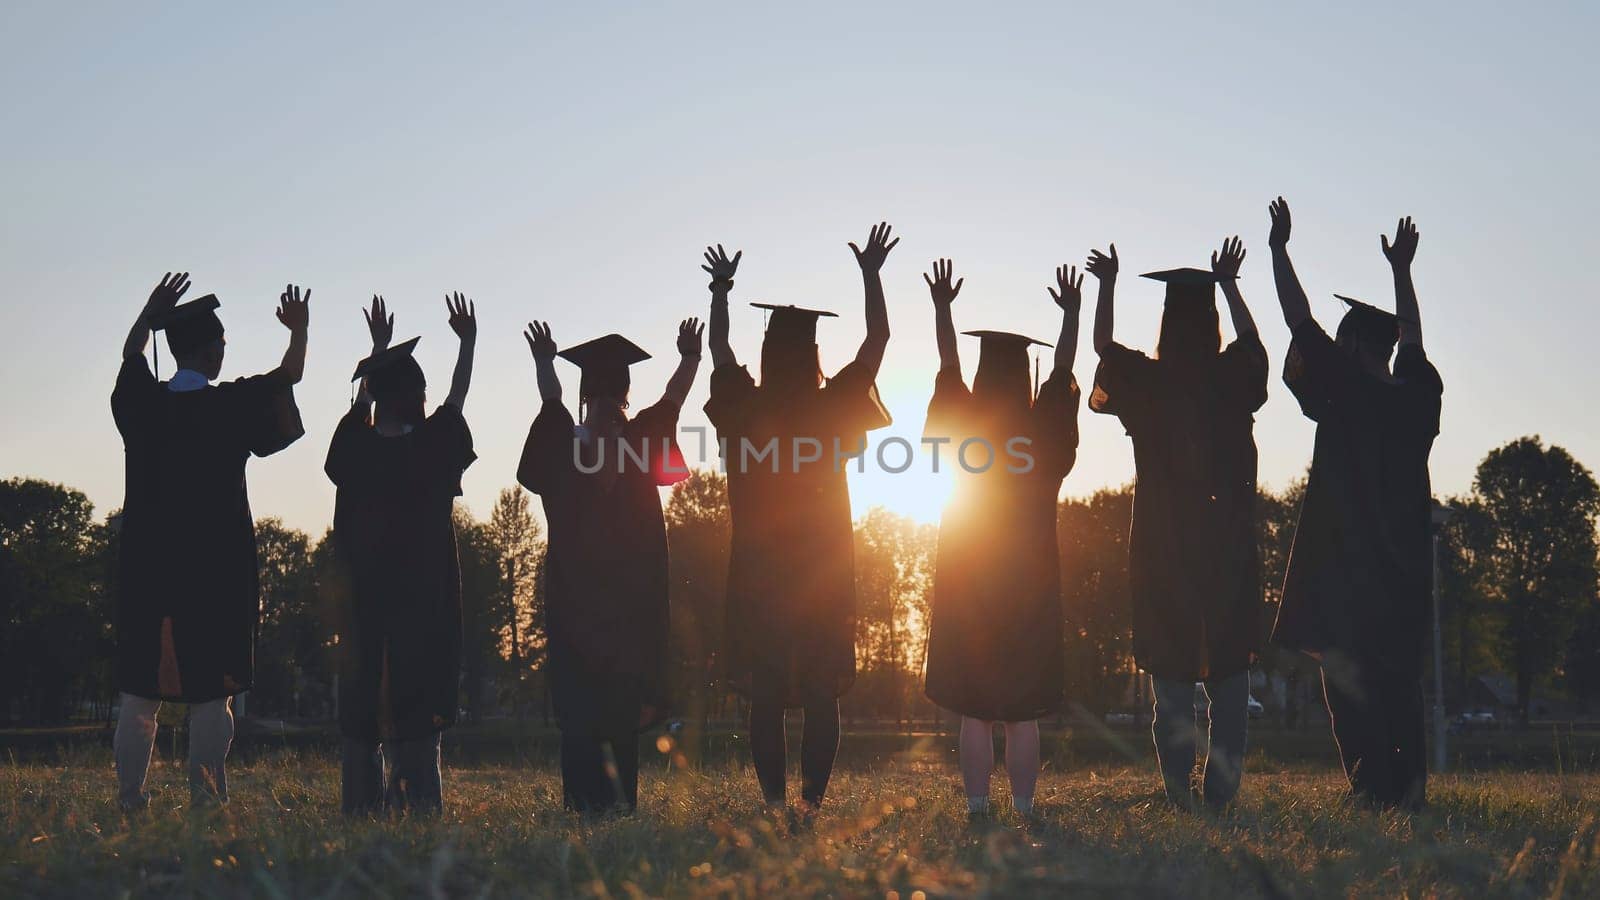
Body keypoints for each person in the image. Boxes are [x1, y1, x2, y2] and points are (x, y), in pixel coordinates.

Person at [703, 226, 895, 811]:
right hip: (822, 573)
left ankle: (774, 806)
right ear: (813, 355)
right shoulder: (831, 405)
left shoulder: (747, 407)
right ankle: (810, 807)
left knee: (765, 697)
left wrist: (719, 293)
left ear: (766, 354)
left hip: (759, 572)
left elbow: (719, 354)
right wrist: (871, 274)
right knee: (819, 694)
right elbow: (877, 339)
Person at [1266, 198, 1443, 810]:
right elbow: (1414, 337)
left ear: (1350, 345)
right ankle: (1409, 789)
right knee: (1399, 681)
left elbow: (1297, 319)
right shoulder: (1418, 396)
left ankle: (1371, 788)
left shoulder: (1345, 391)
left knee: (1348, 682)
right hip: (1404, 568)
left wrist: (1279, 249)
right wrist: (1402, 271)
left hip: (1345, 569)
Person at [110, 273, 309, 810]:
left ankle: (132, 798)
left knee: (138, 694)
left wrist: (148, 314)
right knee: (210, 694)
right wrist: (299, 329)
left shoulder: (143, 405)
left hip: (147, 569)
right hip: (214, 573)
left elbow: (130, 356)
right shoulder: (230, 406)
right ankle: (207, 798)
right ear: (215, 350)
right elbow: (289, 375)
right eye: (223, 344)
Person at [1087, 237, 1269, 810]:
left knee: (1171, 676)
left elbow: (1103, 348)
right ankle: (1222, 793)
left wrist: (1108, 285)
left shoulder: (1147, 381)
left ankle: (1177, 794)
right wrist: (1232, 286)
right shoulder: (1232, 379)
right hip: (1229, 546)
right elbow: (1254, 345)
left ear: (1165, 324)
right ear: (1212, 325)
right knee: (1230, 676)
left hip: (1164, 548)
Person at [920, 258, 1081, 818]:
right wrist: (1072, 315)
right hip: (1031, 581)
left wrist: (943, 308)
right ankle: (1027, 806)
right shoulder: (1042, 432)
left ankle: (976, 808)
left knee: (974, 707)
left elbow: (947, 363)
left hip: (969, 575)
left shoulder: (966, 423)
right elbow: (1062, 376)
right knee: (1022, 710)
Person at [517, 320, 700, 813]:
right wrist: (543, 364)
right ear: (589, 401)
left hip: (625, 607)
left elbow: (672, 401)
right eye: (597, 401)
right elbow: (552, 404)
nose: (604, 409)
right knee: (580, 715)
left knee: (620, 712)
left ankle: (619, 807)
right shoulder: (566, 444)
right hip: (577, 602)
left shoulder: (639, 439)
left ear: (619, 400)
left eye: (610, 401)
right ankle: (580, 806)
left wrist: (689, 359)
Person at [324, 294, 478, 816]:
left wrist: (377, 354)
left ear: (374, 396)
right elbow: (456, 401)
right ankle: (419, 812)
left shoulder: (355, 449)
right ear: (417, 397)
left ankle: (360, 812)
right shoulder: (434, 445)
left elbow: (356, 418)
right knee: (418, 708)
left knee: (363, 711)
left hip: (364, 606)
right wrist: (468, 344)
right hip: (424, 607)